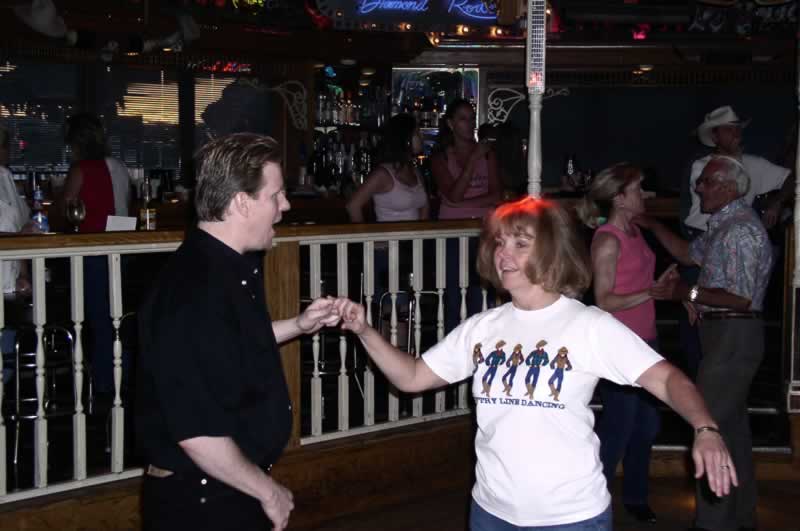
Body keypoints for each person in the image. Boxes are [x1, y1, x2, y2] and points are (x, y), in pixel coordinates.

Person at [335, 196, 737, 531]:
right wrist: (365, 330)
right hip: (491, 513)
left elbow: (668, 380)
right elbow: (412, 377)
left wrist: (706, 429)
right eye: (499, 242)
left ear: (550, 251)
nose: (502, 253)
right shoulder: (482, 328)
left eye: (520, 243)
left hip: (571, 517)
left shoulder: (588, 326)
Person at [136, 133, 341, 531]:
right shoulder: (194, 289)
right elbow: (197, 433)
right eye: (276, 195)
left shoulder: (223, 269)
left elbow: (226, 344)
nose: (285, 206)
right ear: (241, 203)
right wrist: (268, 492)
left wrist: (300, 325)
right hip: (203, 498)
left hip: (224, 485)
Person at [636, 155, 773, 531]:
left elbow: (740, 298)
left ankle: (713, 523)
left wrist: (686, 292)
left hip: (734, 333)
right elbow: (686, 253)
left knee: (707, 426)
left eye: (707, 181)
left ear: (728, 187)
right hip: (724, 334)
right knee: (732, 432)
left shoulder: (740, 230)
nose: (698, 187)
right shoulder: (724, 224)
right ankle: (741, 516)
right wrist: (652, 223)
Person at [579, 163, 669, 524]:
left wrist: (666, 292)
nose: (644, 195)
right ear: (618, 198)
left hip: (645, 341)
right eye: (637, 189)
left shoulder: (633, 230)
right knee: (619, 426)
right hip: (618, 345)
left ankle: (635, 496)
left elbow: (640, 281)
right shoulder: (608, 239)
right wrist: (651, 292)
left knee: (646, 426)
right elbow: (603, 300)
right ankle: (587, 500)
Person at [58, 112, 132, 398]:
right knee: (117, 318)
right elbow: (126, 206)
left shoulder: (81, 169)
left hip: (92, 249)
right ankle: (122, 378)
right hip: (122, 249)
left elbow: (66, 210)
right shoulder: (119, 167)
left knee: (99, 319)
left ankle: (104, 384)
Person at [431, 99, 502, 332]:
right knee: (453, 296)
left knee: (481, 294)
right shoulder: (441, 157)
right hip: (451, 233)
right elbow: (453, 193)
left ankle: (482, 346)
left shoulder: (487, 154)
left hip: (483, 230)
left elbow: (496, 195)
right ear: (451, 124)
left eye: (472, 118)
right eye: (463, 119)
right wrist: (472, 160)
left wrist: (461, 203)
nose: (469, 123)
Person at [685, 105, 792, 234]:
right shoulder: (702, 166)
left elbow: (792, 178)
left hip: (736, 235)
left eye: (738, 129)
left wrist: (777, 202)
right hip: (702, 233)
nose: (736, 134)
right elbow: (722, 199)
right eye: (728, 129)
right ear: (714, 137)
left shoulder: (754, 163)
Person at [0, 123, 39, 384]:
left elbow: (22, 226)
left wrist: (24, 273)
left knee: (6, 354)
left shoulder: (5, 176)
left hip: (9, 282)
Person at [345, 113, 429, 224]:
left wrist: (421, 232)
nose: (422, 137)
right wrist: (364, 233)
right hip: (390, 235)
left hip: (415, 235)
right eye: (417, 133)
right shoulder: (383, 174)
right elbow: (353, 206)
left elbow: (424, 207)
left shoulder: (415, 170)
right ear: (405, 138)